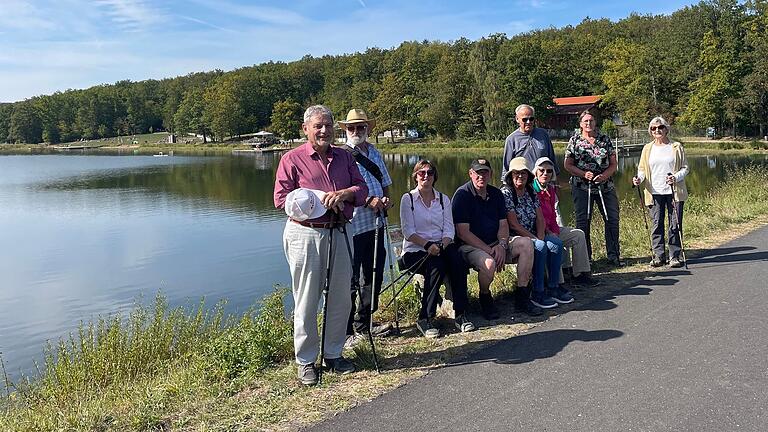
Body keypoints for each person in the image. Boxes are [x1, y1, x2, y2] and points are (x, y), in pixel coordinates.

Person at [274, 105, 368, 386]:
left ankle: (333, 353)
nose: (324, 130)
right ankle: (305, 361)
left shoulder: (344, 157)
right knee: (306, 299)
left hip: (340, 231)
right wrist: (313, 201)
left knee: (340, 296)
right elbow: (280, 199)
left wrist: (345, 193)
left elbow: (362, 190)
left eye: (328, 125)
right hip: (306, 234)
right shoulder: (292, 159)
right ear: (306, 129)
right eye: (318, 126)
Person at [452, 158, 537, 320]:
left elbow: (503, 224)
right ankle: (485, 296)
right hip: (470, 247)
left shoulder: (496, 194)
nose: (481, 177)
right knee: (489, 263)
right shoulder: (462, 195)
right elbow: (463, 233)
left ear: (490, 174)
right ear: (470, 174)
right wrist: (490, 250)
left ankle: (522, 296)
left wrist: (502, 244)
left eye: (485, 172)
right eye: (477, 173)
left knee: (526, 244)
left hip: (496, 244)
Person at [337, 109, 395, 343]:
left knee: (374, 275)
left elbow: (385, 182)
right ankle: (347, 330)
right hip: (353, 226)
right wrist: (368, 200)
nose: (357, 131)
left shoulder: (374, 152)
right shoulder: (341, 156)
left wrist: (386, 199)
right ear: (346, 130)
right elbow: (342, 191)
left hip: (376, 224)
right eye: (352, 127)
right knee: (350, 279)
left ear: (367, 129)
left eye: (361, 127)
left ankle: (365, 323)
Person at [400, 160, 475, 338]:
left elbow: (449, 228)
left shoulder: (443, 199)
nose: (426, 176)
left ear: (435, 176)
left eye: (430, 172)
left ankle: (461, 314)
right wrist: (427, 245)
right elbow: (408, 231)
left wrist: (442, 244)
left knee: (457, 261)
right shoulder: (408, 199)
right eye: (422, 173)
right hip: (415, 249)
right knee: (437, 266)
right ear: (415, 176)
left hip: (442, 245)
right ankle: (425, 317)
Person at [502, 157, 570, 309]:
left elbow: (540, 218)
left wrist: (540, 236)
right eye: (517, 173)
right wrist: (536, 239)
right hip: (515, 237)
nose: (520, 176)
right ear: (510, 175)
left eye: (524, 173)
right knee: (539, 246)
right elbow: (514, 224)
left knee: (555, 244)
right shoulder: (506, 193)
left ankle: (553, 287)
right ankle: (537, 292)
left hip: (533, 233)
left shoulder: (531, 191)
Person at [564, 110, 623, 266]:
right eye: (585, 121)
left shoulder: (604, 139)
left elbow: (613, 164)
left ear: (595, 123)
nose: (588, 124)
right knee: (583, 222)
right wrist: (583, 174)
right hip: (582, 187)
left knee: (612, 219)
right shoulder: (575, 140)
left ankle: (614, 254)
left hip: (605, 186)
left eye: (591, 121)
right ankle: (585, 259)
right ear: (581, 124)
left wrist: (605, 175)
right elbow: (567, 165)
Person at [632, 116, 689, 268]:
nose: (657, 130)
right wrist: (638, 179)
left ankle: (674, 256)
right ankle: (659, 256)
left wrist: (675, 177)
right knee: (656, 223)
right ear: (650, 131)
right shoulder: (647, 148)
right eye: (653, 128)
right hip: (654, 191)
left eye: (660, 127)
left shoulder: (676, 147)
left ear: (666, 129)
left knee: (674, 224)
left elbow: (685, 168)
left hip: (674, 191)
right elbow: (642, 169)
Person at [532, 157, 598, 286]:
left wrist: (555, 231)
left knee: (578, 234)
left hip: (551, 229)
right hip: (538, 231)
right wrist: (550, 232)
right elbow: (536, 218)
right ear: (535, 172)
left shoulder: (551, 189)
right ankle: (558, 283)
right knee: (554, 243)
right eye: (542, 170)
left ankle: (580, 274)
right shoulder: (532, 189)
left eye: (549, 171)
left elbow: (552, 215)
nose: (545, 173)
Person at [502, 104, 559, 182]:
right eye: (525, 119)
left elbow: (552, 161)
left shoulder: (543, 134)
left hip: (543, 181)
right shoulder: (511, 139)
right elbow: (506, 166)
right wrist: (506, 184)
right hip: (523, 183)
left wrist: (556, 183)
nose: (528, 122)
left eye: (531, 119)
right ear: (517, 119)